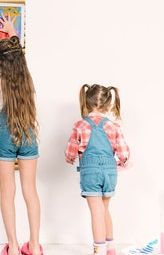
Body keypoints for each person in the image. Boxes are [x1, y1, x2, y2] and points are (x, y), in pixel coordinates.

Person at [0, 15, 43, 255]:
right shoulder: (27, 80)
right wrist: (12, 32)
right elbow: (18, 54)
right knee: (30, 191)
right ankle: (34, 247)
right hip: (26, 131)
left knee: (8, 192)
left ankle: (14, 247)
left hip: (4, 132)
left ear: (1, 62)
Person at [65, 84, 130, 255]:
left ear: (86, 104)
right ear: (108, 106)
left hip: (91, 172)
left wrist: (70, 158)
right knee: (104, 210)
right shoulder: (114, 126)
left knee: (96, 213)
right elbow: (124, 154)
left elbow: (70, 151)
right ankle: (111, 249)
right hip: (110, 172)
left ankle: (98, 251)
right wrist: (123, 163)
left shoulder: (80, 125)